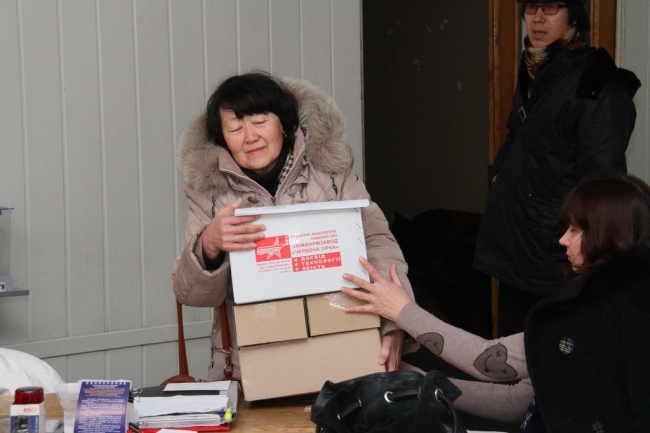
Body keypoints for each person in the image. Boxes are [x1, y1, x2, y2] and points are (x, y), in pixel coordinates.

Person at [342, 175, 650, 432]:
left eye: (574, 230)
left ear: (605, 236)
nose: (563, 240)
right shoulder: (624, 300)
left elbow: (487, 360)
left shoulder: (596, 314)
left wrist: (402, 311)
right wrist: (423, 381)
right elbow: (522, 400)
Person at [172, 71, 413, 381]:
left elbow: (377, 245)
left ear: (284, 124)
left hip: (342, 347)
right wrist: (209, 244)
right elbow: (189, 293)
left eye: (260, 122)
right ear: (222, 139)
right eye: (235, 129)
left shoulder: (330, 169)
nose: (250, 137)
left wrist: (397, 323)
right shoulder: (209, 190)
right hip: (252, 365)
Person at [473, 0, 641, 336]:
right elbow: (518, 134)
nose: (537, 18)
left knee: (547, 358)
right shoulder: (538, 67)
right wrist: (499, 176)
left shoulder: (596, 85)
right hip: (518, 249)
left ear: (573, 16)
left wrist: (574, 245)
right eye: (531, 7)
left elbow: (601, 189)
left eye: (551, 7)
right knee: (508, 355)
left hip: (556, 260)